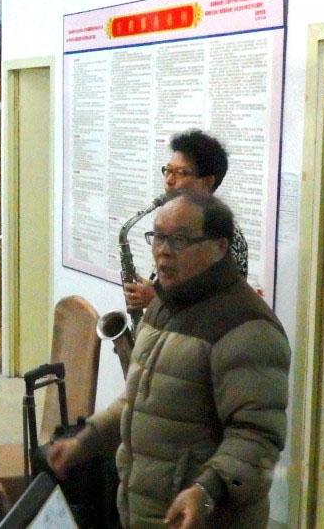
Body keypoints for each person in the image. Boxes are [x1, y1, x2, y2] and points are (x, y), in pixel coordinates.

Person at [48, 190, 290, 528]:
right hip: (148, 514)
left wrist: (206, 492)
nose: (163, 250)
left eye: (180, 240)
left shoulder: (247, 328)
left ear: (220, 247)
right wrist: (84, 442)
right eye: (158, 237)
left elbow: (257, 438)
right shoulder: (163, 305)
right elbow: (137, 401)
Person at [125, 129, 249, 310]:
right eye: (168, 170)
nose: (169, 180)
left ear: (207, 182)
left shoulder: (225, 235)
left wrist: (156, 298)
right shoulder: (174, 226)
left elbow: (221, 305)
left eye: (180, 173)